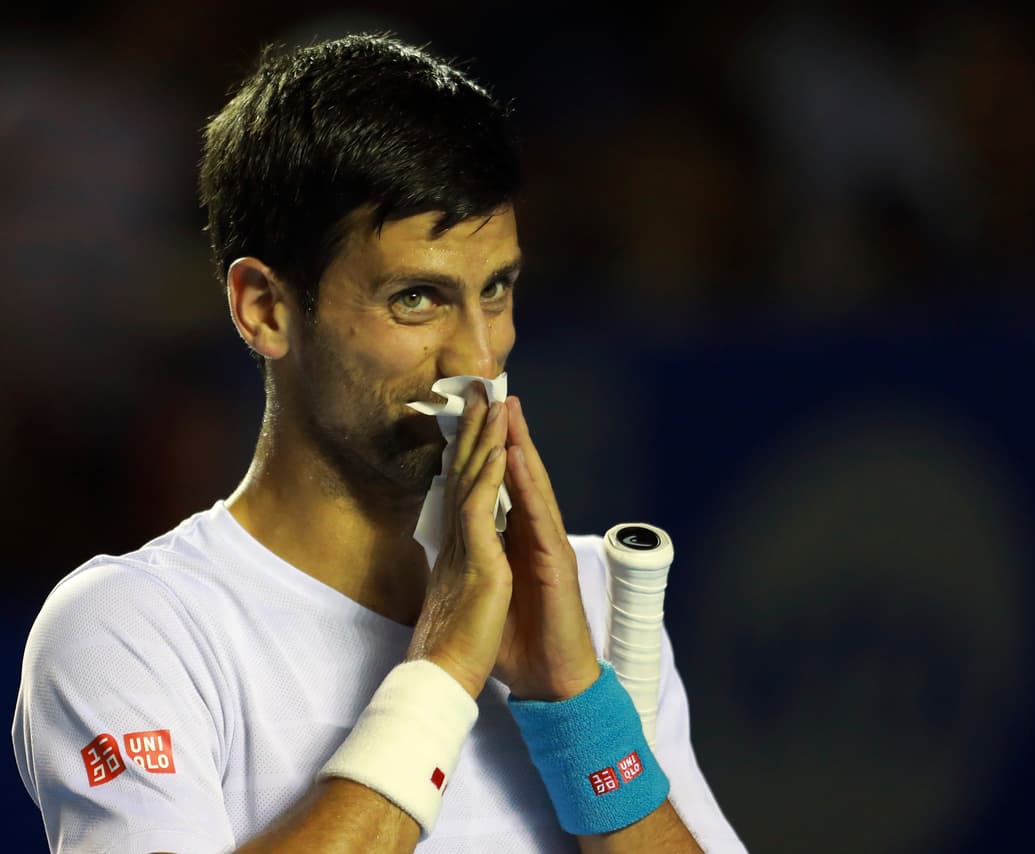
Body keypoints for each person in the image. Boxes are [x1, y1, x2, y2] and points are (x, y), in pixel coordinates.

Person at [12, 34, 744, 853]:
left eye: (496, 289)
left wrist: (577, 705)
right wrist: (444, 666)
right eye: (418, 299)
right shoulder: (134, 630)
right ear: (264, 309)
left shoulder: (585, 600)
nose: (477, 358)